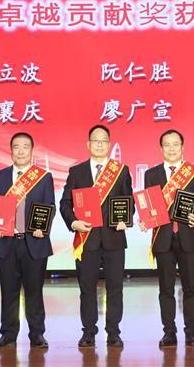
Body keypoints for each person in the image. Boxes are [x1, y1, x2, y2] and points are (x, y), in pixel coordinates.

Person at [60, 124, 134, 348]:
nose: (100, 145)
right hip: (86, 239)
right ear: (88, 144)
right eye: (96, 141)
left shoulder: (121, 171)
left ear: (109, 145)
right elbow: (65, 203)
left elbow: (129, 203)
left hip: (114, 238)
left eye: (104, 141)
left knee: (115, 288)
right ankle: (88, 332)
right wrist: (74, 222)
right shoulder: (77, 172)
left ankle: (113, 332)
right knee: (87, 289)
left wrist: (126, 219)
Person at [0, 132, 55, 350]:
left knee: (34, 291)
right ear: (11, 150)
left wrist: (43, 228)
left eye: (25, 147)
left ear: (32, 150)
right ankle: (8, 334)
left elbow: (50, 207)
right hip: (7, 242)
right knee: (8, 291)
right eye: (16, 147)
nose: (21, 151)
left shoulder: (43, 177)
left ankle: (37, 334)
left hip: (34, 242)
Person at [141, 129, 194, 348]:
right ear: (161, 148)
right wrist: (145, 220)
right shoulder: (151, 174)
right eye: (167, 145)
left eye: (175, 144)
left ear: (182, 147)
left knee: (191, 288)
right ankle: (169, 332)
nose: (171, 149)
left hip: (188, 237)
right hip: (163, 238)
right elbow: (148, 204)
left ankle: (191, 332)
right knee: (166, 289)